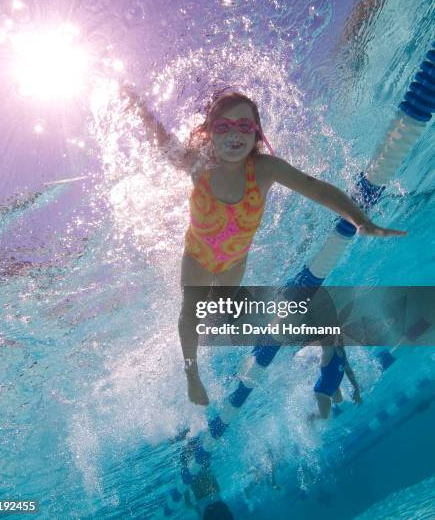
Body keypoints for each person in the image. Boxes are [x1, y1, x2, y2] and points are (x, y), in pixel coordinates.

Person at [121, 87, 407, 405]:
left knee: (221, 316)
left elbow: (317, 189)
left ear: (256, 134)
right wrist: (138, 105)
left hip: (232, 266)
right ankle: (192, 374)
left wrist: (358, 219)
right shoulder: (198, 164)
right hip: (197, 258)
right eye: (223, 126)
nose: (235, 134)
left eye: (245, 126)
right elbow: (162, 139)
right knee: (192, 312)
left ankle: (318, 347)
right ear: (208, 133)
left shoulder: (264, 169)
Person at [310, 335, 362, 420]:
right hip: (322, 392)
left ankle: (321, 402)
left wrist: (356, 389)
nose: (343, 338)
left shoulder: (342, 351)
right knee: (324, 416)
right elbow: (324, 339)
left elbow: (349, 371)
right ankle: (309, 418)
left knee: (339, 400)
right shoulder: (328, 352)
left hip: (334, 388)